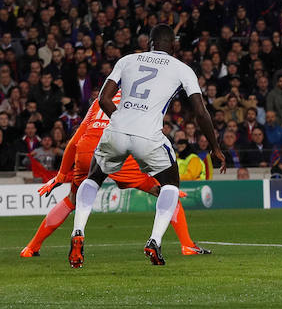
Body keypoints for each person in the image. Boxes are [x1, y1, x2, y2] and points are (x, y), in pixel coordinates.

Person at [68, 25, 224, 267]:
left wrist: (121, 120)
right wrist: (215, 147)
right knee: (170, 183)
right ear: (173, 45)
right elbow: (201, 113)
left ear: (149, 43)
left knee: (94, 177)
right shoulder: (182, 69)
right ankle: (154, 241)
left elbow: (103, 98)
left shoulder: (127, 60)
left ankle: (78, 231)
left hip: (116, 129)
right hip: (148, 136)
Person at [20, 92, 210, 259]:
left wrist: (61, 175)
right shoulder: (137, 101)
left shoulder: (99, 101)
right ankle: (187, 245)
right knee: (166, 193)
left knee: (72, 200)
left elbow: (74, 140)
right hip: (114, 147)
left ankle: (31, 247)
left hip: (86, 151)